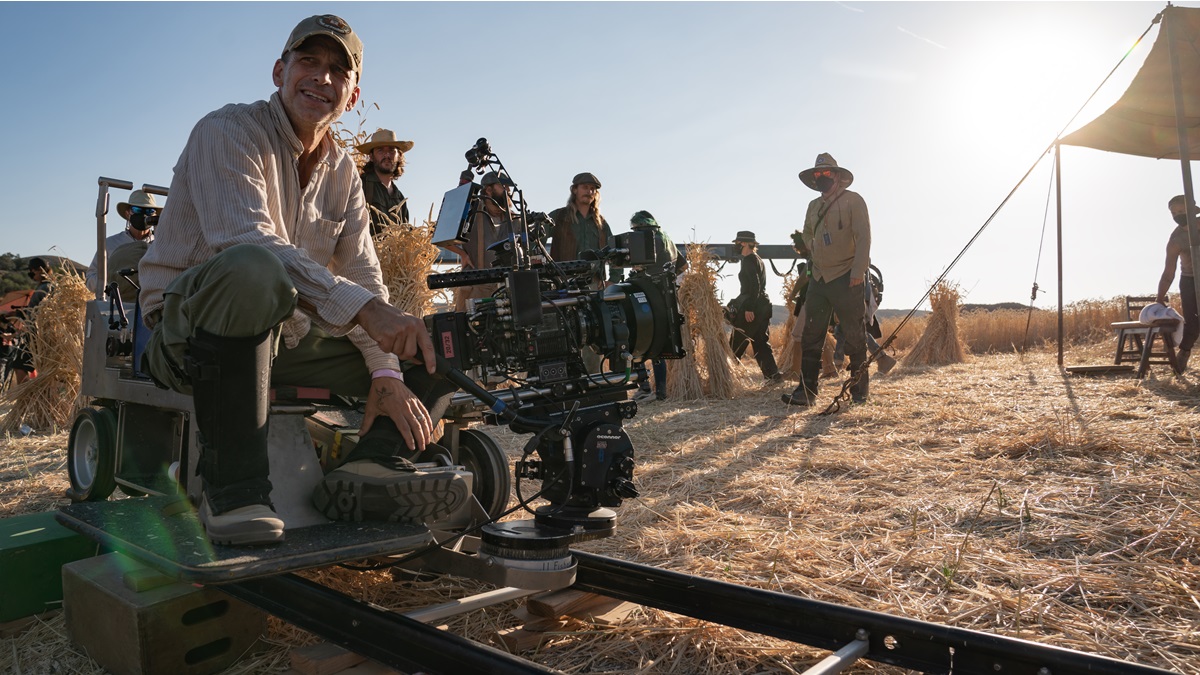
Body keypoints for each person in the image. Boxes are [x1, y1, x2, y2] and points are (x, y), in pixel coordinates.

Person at [137, 15, 467, 546]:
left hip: (284, 331)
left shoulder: (342, 171)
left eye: (339, 70)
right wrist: (364, 311)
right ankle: (235, 493)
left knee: (444, 342)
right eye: (308, 62)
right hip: (188, 331)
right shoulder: (226, 131)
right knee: (253, 269)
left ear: (352, 95)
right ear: (278, 71)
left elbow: (363, 272)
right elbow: (246, 241)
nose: (322, 77)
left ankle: (371, 467)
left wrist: (386, 370)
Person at [784, 153, 871, 406]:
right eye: (817, 174)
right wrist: (809, 244)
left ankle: (859, 392)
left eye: (826, 173)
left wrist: (858, 271)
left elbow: (864, 237)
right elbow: (808, 232)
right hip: (819, 278)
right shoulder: (813, 206)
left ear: (837, 175)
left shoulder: (854, 201)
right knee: (811, 335)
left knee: (855, 335)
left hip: (847, 276)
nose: (821, 177)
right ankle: (806, 393)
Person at [549, 172, 618, 372]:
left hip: (593, 286)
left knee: (593, 335)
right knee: (564, 334)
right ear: (574, 190)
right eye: (585, 187)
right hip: (563, 286)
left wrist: (613, 280)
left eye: (593, 189)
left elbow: (615, 252)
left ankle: (593, 383)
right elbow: (535, 235)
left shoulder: (601, 223)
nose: (589, 191)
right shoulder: (559, 217)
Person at [626, 210, 685, 402]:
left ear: (639, 226)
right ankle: (660, 393)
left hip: (648, 296)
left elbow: (639, 267)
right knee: (659, 346)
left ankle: (644, 387)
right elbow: (684, 266)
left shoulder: (646, 238)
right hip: (667, 297)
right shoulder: (666, 238)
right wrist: (669, 278)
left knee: (634, 339)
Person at [441, 171, 516, 310]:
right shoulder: (472, 213)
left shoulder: (515, 219)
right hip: (475, 289)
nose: (509, 191)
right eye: (504, 187)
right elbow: (442, 234)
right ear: (488, 190)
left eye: (509, 187)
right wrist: (463, 254)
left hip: (507, 290)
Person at [728, 231, 781, 382]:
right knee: (760, 343)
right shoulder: (757, 259)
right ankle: (773, 376)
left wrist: (748, 308)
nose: (735, 246)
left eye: (737, 243)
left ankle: (726, 377)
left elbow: (755, 285)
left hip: (754, 307)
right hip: (762, 306)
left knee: (737, 341)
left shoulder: (749, 260)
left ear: (743, 243)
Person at [86, 189, 159, 300]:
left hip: (152, 306)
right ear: (127, 213)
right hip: (118, 309)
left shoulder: (160, 245)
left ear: (154, 216)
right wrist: (112, 283)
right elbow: (91, 278)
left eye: (149, 211)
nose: (143, 215)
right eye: (137, 209)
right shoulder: (110, 244)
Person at [1156, 194, 1200, 370]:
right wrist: (1159, 297)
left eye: (1181, 211)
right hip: (1189, 280)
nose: (1177, 216)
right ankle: (1184, 353)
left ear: (1191, 210)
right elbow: (1169, 272)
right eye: (1173, 213)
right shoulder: (1175, 240)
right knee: (1193, 322)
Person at [355, 128, 413, 235]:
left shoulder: (400, 198)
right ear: (371, 157)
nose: (387, 155)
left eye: (391, 150)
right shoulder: (360, 185)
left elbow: (405, 234)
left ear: (399, 156)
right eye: (380, 150)